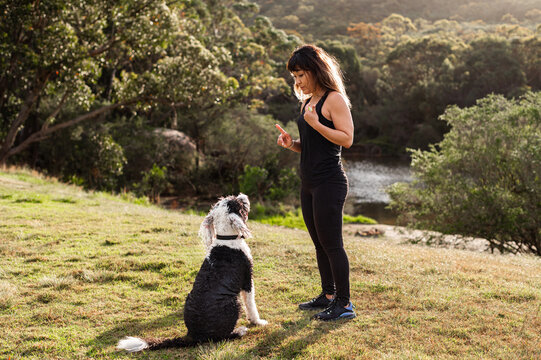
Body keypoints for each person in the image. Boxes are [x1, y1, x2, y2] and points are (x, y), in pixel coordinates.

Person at [276, 44, 355, 321]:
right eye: (294, 76)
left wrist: (316, 123)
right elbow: (312, 145)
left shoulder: (334, 100)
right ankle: (329, 295)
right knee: (319, 243)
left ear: (315, 70)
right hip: (308, 182)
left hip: (329, 182)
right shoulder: (307, 102)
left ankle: (345, 304)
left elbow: (346, 138)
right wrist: (292, 144)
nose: (297, 82)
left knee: (333, 244)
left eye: (300, 75)